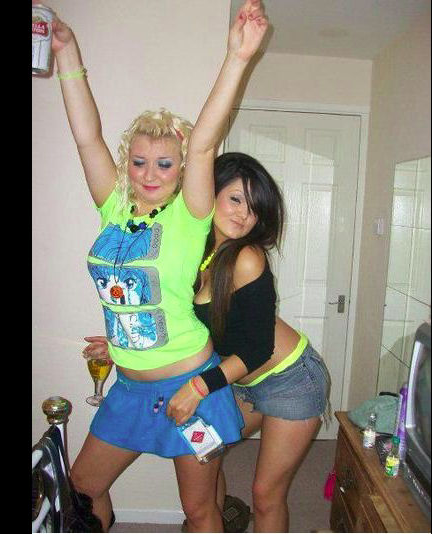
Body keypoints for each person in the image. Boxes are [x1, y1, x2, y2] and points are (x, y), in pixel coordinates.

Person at [47, 0, 269, 531]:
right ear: (127, 165)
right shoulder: (113, 207)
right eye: (140, 161)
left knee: (198, 509)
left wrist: (238, 58)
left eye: (165, 163)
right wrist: (67, 52)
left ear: (181, 168)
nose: (150, 174)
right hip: (128, 388)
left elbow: (205, 144)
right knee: (81, 489)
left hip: (191, 384)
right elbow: (86, 137)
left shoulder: (190, 214)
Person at [85, 152, 332, 532]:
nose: (244, 215)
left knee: (266, 494)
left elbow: (256, 348)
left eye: (254, 209)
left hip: (290, 379)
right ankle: (215, 517)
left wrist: (198, 387)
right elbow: (174, 317)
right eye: (235, 199)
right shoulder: (191, 246)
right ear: (208, 191)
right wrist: (124, 342)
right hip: (237, 378)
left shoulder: (246, 258)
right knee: (208, 453)